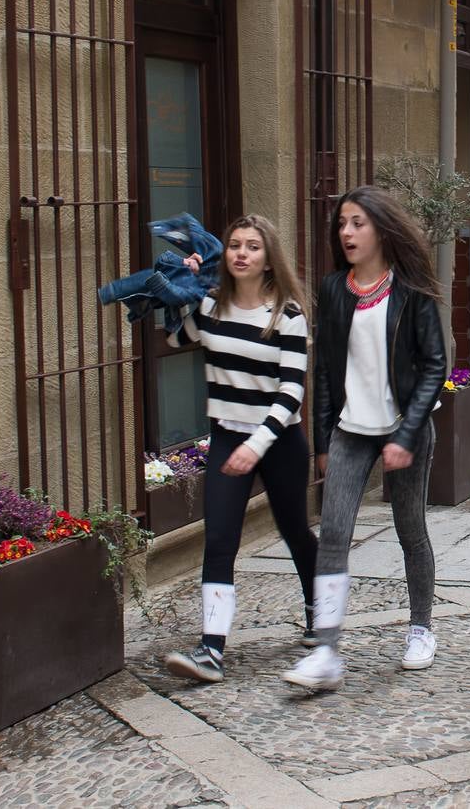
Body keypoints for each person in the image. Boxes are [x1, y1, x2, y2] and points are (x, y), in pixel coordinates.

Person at [282, 185, 446, 691]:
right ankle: (327, 649)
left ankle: (421, 627)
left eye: (357, 223)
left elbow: (434, 366)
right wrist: (325, 443)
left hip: (405, 429)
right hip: (351, 430)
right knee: (333, 532)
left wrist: (408, 433)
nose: (347, 233)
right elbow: (326, 370)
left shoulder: (411, 291)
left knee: (409, 529)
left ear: (380, 228)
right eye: (342, 224)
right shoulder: (333, 290)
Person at [161, 215, 317, 684]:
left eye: (252, 246)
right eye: (234, 245)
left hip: (280, 440)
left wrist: (258, 444)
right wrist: (180, 288)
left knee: (294, 531)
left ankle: (318, 609)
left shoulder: (287, 316)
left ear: (269, 258)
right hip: (229, 434)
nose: (241, 253)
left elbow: (292, 392)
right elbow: (174, 338)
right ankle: (211, 648)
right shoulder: (210, 306)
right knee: (220, 538)